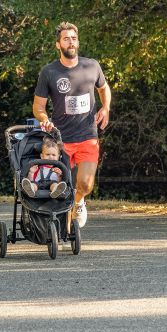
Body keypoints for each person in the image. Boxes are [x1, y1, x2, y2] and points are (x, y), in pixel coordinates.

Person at [33, 22, 111, 232]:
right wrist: (44, 118)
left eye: (73, 38)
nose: (71, 42)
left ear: (78, 41)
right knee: (63, 185)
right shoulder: (49, 72)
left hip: (88, 135)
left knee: (85, 185)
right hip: (61, 139)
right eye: (66, 39)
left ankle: (79, 202)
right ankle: (64, 229)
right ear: (58, 44)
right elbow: (38, 107)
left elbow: (104, 88)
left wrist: (106, 108)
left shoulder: (92, 66)